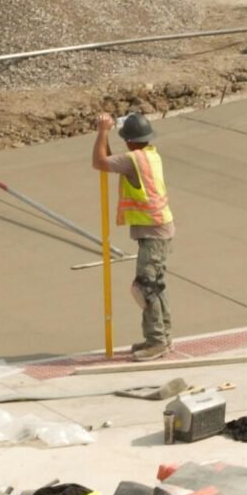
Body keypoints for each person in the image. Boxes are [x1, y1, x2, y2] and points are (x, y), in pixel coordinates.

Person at [92, 111, 174, 360]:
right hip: (159, 227)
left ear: (128, 140)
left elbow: (100, 162)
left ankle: (157, 341)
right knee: (155, 286)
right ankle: (162, 338)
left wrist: (102, 131)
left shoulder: (133, 160)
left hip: (154, 231)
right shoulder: (150, 155)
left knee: (145, 287)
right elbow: (112, 159)